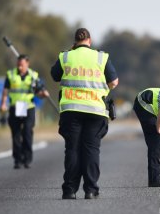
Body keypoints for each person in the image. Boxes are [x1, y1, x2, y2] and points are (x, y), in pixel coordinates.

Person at [51, 28, 119, 200]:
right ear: (90, 40)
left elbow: (54, 75)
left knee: (72, 149)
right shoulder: (101, 57)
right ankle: (90, 189)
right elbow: (114, 82)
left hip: (71, 109)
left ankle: (69, 190)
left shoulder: (66, 56)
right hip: (95, 110)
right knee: (91, 150)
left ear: (75, 41)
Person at [0, 54, 50, 169]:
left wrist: (43, 95)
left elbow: (38, 92)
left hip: (28, 107)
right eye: (18, 65)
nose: (20, 67)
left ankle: (27, 159)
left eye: (22, 65)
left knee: (27, 132)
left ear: (27, 64)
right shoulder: (11, 75)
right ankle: (17, 160)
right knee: (16, 134)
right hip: (15, 107)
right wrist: (3, 103)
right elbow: (5, 90)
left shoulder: (33, 76)